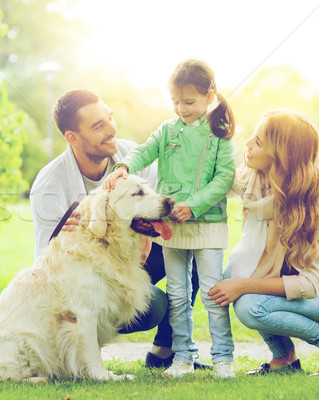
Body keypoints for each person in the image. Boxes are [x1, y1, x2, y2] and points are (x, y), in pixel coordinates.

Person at [29, 88, 209, 370]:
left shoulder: (131, 155)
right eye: (98, 126)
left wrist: (146, 234)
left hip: (133, 253)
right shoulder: (49, 186)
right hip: (87, 275)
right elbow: (44, 264)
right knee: (154, 307)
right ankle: (86, 350)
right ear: (72, 138)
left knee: (195, 251)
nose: (111, 129)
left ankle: (166, 352)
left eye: (109, 118)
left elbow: (157, 204)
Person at [208, 109, 319, 376]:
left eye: (259, 142)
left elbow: (310, 285)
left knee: (251, 306)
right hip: (293, 281)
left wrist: (244, 285)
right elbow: (216, 179)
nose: (248, 145)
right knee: (235, 273)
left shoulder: (313, 205)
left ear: (281, 156)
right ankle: (285, 359)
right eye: (252, 137)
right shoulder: (257, 179)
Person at [104, 59, 236, 378]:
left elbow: (224, 178)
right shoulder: (167, 130)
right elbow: (144, 151)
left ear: (209, 96)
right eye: (176, 102)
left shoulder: (219, 134)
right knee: (177, 294)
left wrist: (193, 205)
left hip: (207, 226)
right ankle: (183, 357)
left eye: (188, 102)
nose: (181, 109)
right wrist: (123, 166)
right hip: (173, 229)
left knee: (211, 293)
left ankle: (223, 359)